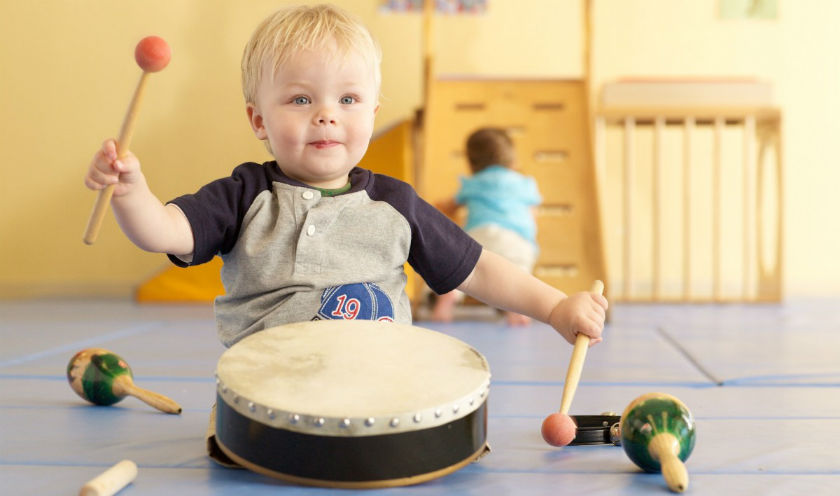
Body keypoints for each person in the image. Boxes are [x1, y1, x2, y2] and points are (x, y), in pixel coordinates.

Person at [84, 3, 607, 464]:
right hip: (274, 396)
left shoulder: (396, 205)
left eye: (349, 100)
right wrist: (131, 193)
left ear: (373, 111)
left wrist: (556, 307)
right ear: (259, 119)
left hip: (381, 393)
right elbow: (165, 232)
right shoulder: (243, 194)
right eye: (300, 99)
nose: (327, 115)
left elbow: (479, 268)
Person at [431, 127, 541, 326]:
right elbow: (533, 213)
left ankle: (446, 303)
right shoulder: (525, 183)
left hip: (479, 236)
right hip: (516, 241)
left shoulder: (473, 183)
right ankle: (517, 312)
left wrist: (442, 206)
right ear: (512, 160)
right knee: (518, 276)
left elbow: (451, 206)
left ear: (472, 162)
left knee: (460, 270)